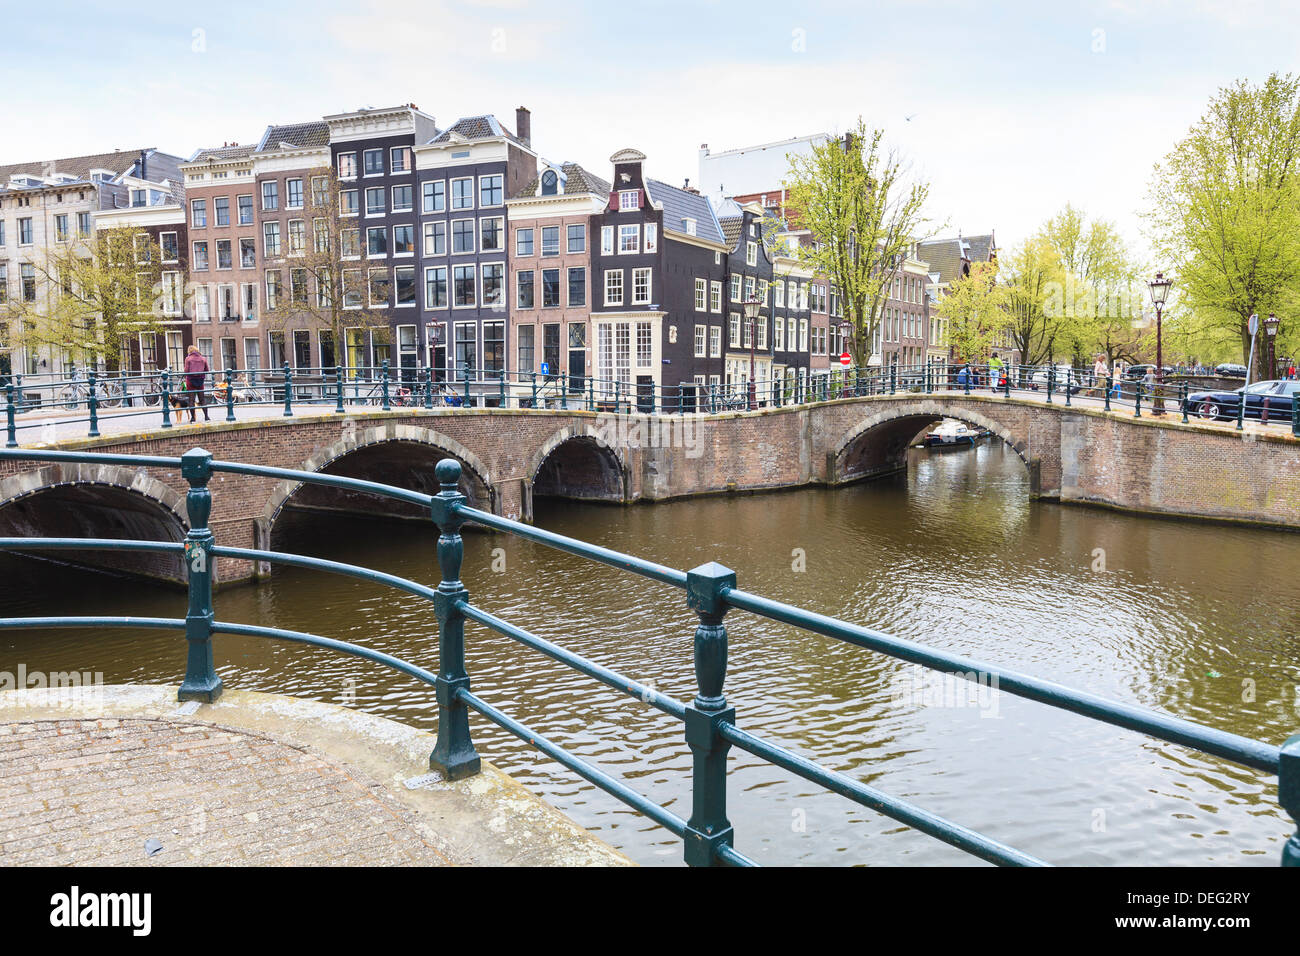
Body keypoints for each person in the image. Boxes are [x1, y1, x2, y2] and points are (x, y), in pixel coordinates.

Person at [183, 345, 209, 423]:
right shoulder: (203, 358)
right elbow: (207, 370)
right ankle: (206, 417)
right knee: (202, 399)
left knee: (191, 400)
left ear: (189, 351)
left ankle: (193, 419)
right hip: (200, 381)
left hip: (191, 381)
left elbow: (186, 371)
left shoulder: (188, 359)